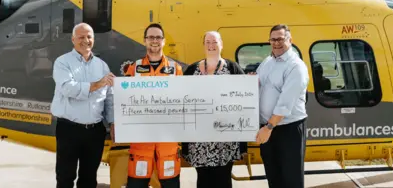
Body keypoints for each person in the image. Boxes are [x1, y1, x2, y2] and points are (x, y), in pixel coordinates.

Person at [50, 23, 115, 188]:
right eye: (81, 37)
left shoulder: (102, 66)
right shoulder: (62, 62)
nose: (86, 40)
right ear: (73, 39)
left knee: (89, 178)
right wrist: (96, 84)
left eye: (89, 37)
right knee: (65, 177)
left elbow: (109, 98)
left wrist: (113, 123)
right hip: (69, 130)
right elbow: (67, 88)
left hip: (95, 132)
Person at [182, 31, 247, 188]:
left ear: (221, 45)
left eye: (215, 42)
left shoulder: (233, 68)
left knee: (223, 179)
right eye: (208, 42)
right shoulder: (191, 70)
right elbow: (182, 103)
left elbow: (245, 102)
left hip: (225, 139)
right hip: (198, 140)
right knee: (203, 179)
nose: (211, 45)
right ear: (203, 45)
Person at [124, 23, 183, 188]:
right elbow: (125, 100)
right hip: (141, 142)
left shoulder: (175, 69)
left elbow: (183, 101)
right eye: (151, 37)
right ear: (145, 41)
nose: (154, 41)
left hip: (168, 143)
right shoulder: (134, 68)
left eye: (158, 37)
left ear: (163, 41)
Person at [255, 24, 309, 188]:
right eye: (273, 39)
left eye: (280, 39)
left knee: (290, 179)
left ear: (290, 40)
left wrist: (269, 127)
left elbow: (285, 103)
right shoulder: (268, 61)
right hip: (268, 129)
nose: (276, 43)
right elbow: (259, 83)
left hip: (288, 129)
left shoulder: (296, 66)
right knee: (274, 176)